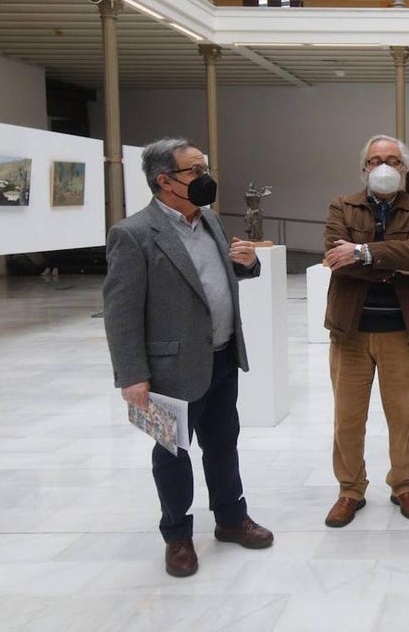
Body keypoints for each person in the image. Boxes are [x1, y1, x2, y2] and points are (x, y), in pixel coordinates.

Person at [103, 138, 273, 578]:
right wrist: (132, 375)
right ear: (165, 181)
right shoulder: (133, 234)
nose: (205, 177)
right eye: (195, 171)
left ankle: (232, 520)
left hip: (222, 358)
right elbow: (120, 312)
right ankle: (177, 535)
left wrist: (249, 263)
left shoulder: (212, 220)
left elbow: (222, 275)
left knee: (223, 444)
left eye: (204, 168)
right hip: (169, 369)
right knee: (172, 453)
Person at [323, 134, 409, 527]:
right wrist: (394, 261)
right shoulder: (343, 205)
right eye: (375, 160)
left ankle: (403, 483)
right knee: (348, 417)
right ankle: (350, 489)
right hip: (349, 332)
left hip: (401, 331)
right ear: (364, 168)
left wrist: (362, 251)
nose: (383, 166)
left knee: (402, 415)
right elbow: (335, 259)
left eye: (392, 160)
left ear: (403, 169)